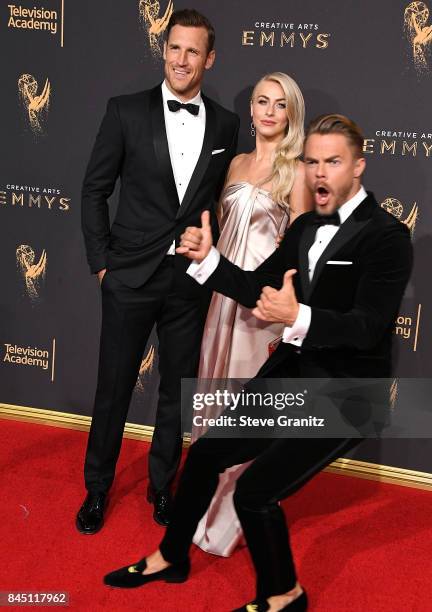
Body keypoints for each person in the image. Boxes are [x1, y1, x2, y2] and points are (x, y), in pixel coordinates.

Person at [103, 114, 413, 612]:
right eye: (311, 161)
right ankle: (171, 555)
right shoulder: (306, 225)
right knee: (204, 455)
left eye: (332, 161)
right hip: (294, 374)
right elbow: (258, 287)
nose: (318, 173)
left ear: (358, 166)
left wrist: (300, 315)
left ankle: (284, 593)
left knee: (253, 492)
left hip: (346, 394)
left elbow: (368, 327)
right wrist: (208, 261)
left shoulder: (387, 236)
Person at [77, 8, 239, 534]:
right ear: (163, 50)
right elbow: (94, 190)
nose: (182, 59)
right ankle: (97, 490)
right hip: (128, 275)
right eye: (175, 48)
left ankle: (160, 489)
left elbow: (212, 202)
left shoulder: (226, 124)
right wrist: (102, 264)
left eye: (194, 51)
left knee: (176, 392)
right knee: (114, 388)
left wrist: (205, 238)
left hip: (187, 282)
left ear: (209, 59)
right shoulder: (124, 111)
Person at [193, 72, 313, 557]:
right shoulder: (237, 163)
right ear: (251, 110)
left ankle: (228, 517)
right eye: (261, 101)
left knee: (244, 404)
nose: (267, 111)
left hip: (260, 306)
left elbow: (300, 250)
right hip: (222, 297)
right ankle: (200, 502)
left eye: (279, 104)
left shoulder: (298, 171)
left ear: (291, 115)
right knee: (211, 391)